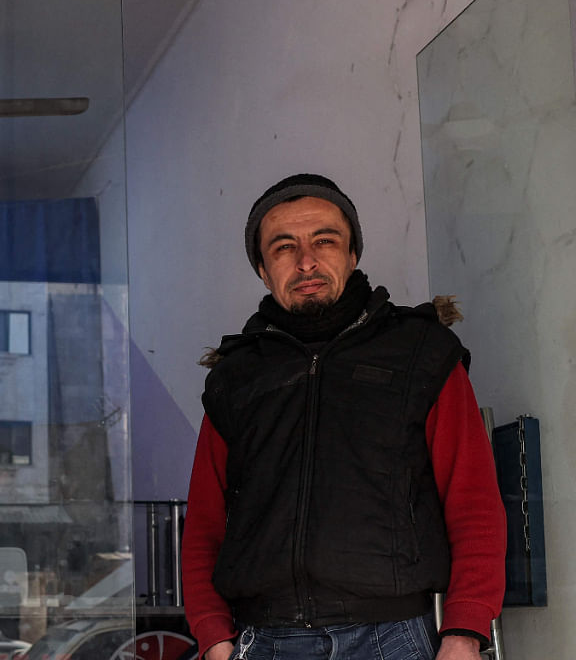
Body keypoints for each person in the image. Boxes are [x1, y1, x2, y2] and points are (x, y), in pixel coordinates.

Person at [181, 174, 506, 660]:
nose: (306, 261)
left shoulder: (422, 353)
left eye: (324, 241)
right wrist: (213, 638)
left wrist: (465, 631)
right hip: (266, 640)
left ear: (353, 255)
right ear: (262, 270)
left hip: (394, 637)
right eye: (283, 247)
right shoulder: (236, 377)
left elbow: (474, 501)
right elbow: (205, 523)